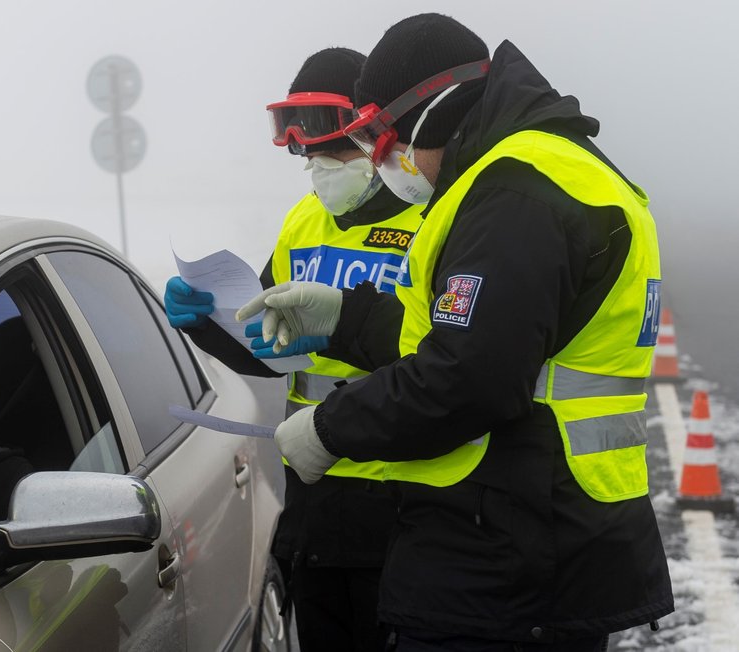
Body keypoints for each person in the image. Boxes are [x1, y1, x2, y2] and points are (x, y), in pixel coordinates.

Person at [236, 14, 673, 651]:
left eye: (388, 139)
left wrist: (331, 429)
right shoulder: (528, 174)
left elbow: (471, 376)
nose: (388, 160)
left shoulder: (517, 192)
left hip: (512, 555)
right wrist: (346, 317)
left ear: (434, 111)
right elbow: (480, 336)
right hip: (522, 535)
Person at [165, 47, 425, 651]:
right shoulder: (303, 221)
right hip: (316, 491)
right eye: (308, 157)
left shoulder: (427, 219)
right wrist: (207, 321)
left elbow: (446, 354)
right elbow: (268, 342)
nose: (318, 168)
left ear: (372, 136)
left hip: (404, 494)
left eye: (331, 153)